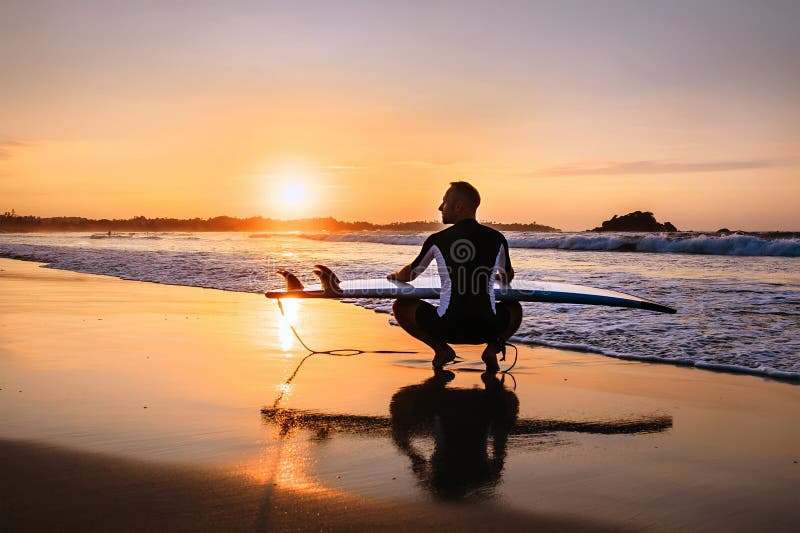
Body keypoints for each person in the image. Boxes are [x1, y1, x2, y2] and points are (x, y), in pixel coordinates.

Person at [388, 181, 523, 371]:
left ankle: (442, 350)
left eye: (444, 202)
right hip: (486, 328)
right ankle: (492, 349)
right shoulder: (496, 238)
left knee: (400, 305)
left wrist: (394, 276)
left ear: (458, 206)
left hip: (447, 328)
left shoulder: (437, 240)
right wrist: (497, 278)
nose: (440, 207)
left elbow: (409, 275)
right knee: (515, 308)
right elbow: (508, 277)